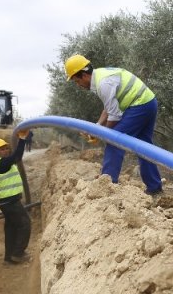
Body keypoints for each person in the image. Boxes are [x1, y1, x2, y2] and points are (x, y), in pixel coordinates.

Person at [64, 54, 163, 195]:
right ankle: (154, 187)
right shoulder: (101, 77)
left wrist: (103, 134)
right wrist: (98, 127)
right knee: (144, 146)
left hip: (139, 105)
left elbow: (114, 115)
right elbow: (108, 108)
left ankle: (106, 186)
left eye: (76, 81)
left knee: (114, 142)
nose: (78, 85)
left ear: (84, 75)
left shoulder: (103, 83)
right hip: (148, 102)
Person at [0, 133, 31, 264]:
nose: (6, 150)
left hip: (6, 202)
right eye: (2, 149)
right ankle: (18, 253)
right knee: (25, 224)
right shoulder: (2, 163)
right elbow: (18, 156)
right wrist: (23, 139)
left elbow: (14, 157)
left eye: (6, 148)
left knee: (11, 229)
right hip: (10, 202)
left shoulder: (4, 163)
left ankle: (8, 258)